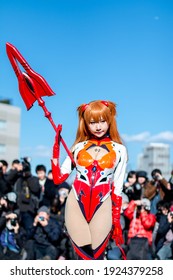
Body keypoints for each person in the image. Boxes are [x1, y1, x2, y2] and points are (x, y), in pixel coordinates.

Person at [51, 100, 127, 260]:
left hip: (103, 204)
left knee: (95, 257)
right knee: (83, 256)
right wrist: (56, 146)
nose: (98, 127)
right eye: (93, 123)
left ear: (109, 121)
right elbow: (58, 178)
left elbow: (118, 187)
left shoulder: (120, 149)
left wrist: (116, 222)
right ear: (86, 123)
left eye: (102, 121)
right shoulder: (78, 147)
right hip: (76, 202)